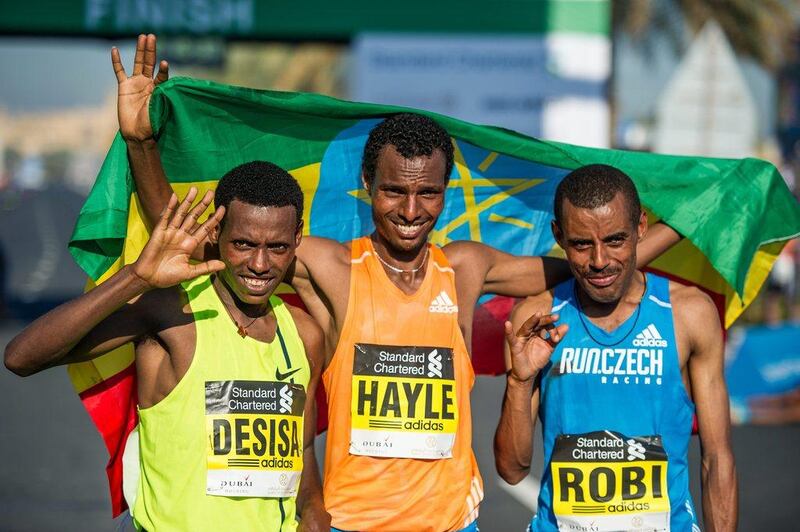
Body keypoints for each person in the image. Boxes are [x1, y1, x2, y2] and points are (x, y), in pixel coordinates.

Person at [116, 35, 682, 531]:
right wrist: (142, 142)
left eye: (428, 193)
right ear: (368, 184)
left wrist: (695, 212)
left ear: (446, 189)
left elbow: (596, 267)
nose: (411, 210)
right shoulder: (332, 267)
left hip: (450, 525)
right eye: (394, 191)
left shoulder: (463, 268)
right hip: (348, 523)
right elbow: (188, 239)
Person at [5, 163, 329, 531]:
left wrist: (314, 505)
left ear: (297, 239)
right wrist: (136, 278)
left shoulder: (304, 335)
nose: (259, 263)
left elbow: (300, 451)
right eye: (243, 244)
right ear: (217, 231)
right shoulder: (171, 311)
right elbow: (21, 357)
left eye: (277, 247)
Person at [495, 164, 737, 531]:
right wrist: (519, 381)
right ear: (559, 236)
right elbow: (512, 470)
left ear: (641, 228)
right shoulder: (537, 318)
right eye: (581, 244)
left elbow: (717, 459)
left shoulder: (688, 314)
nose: (599, 261)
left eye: (615, 240)